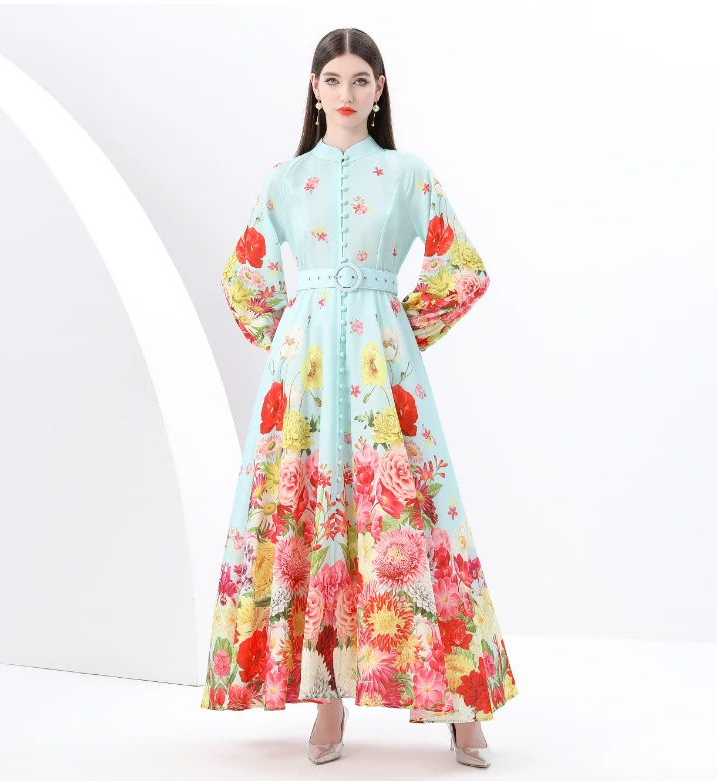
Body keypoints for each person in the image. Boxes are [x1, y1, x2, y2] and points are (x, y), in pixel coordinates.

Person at [200, 27, 519, 768]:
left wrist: (400, 330)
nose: (347, 93)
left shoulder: (407, 174)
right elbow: (244, 277)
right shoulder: (285, 180)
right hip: (305, 375)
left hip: (384, 371)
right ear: (314, 89)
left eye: (361, 80)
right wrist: (289, 339)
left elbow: (462, 268)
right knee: (312, 512)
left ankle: (462, 703)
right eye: (333, 80)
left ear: (380, 92)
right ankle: (326, 698)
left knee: (419, 512)